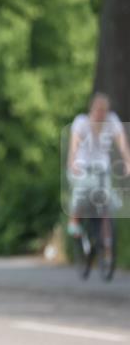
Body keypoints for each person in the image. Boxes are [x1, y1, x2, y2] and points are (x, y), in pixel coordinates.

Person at [66, 92, 130, 238]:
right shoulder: (81, 122)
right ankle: (74, 221)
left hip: (102, 168)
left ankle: (107, 237)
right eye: (98, 110)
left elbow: (122, 144)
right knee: (81, 191)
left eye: (104, 111)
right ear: (92, 109)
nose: (101, 114)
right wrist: (72, 163)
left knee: (109, 197)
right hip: (83, 167)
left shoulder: (112, 121)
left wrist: (128, 161)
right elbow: (73, 146)